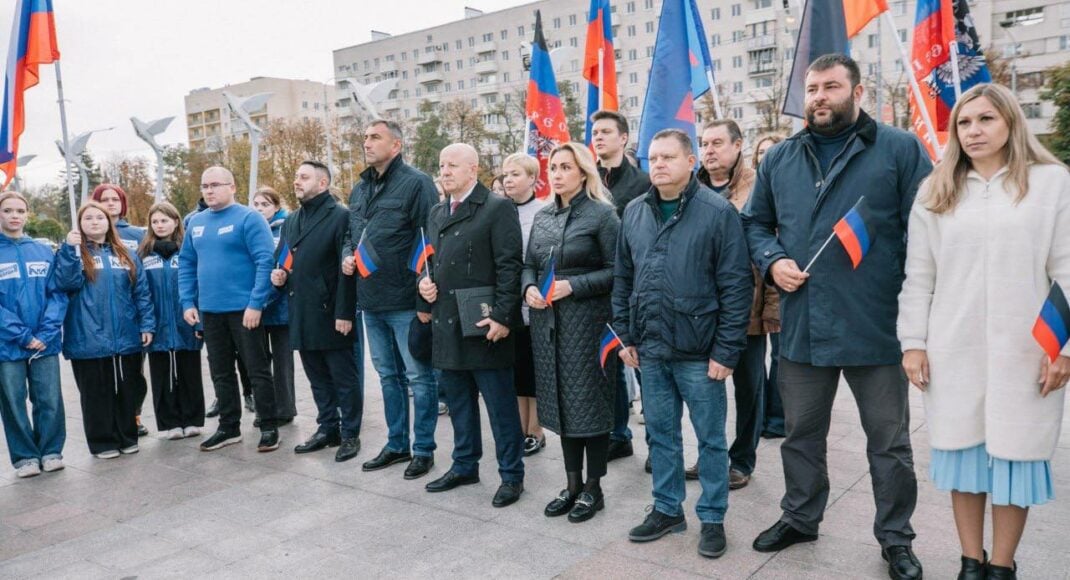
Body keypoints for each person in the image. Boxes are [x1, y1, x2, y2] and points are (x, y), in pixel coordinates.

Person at [741, 54, 931, 580]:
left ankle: (896, 538)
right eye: (812, 88)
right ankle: (801, 516)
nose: (819, 96)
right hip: (803, 325)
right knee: (801, 434)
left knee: (889, 444)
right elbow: (755, 222)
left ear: (858, 91)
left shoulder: (899, 149)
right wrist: (774, 259)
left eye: (831, 86)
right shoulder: (780, 157)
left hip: (877, 325)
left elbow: (929, 230)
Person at [898, 83, 1070, 580]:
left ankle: (1001, 566)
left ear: (1011, 122)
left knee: (1016, 461)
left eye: (986, 120)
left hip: (1028, 350)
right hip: (955, 347)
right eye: (965, 123)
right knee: (965, 458)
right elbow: (919, 277)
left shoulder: (1051, 183)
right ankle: (970, 563)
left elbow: (1067, 271)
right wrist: (913, 343)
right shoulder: (937, 190)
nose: (974, 131)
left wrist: (1063, 349)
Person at [613, 129, 752, 558]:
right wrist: (624, 335)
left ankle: (712, 517)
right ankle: (667, 509)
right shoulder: (634, 211)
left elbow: (736, 284)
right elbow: (623, 278)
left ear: (691, 161)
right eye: (652, 158)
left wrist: (726, 352)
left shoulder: (716, 212)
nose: (658, 165)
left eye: (668, 157)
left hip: (700, 352)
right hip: (650, 349)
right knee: (661, 434)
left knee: (710, 439)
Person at [418, 143, 526, 507]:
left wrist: (502, 316)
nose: (444, 171)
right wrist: (423, 283)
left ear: (473, 170)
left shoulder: (497, 208)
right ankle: (465, 464)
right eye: (441, 165)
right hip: (447, 323)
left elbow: (510, 266)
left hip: (484, 324)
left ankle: (512, 475)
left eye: (452, 165)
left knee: (499, 407)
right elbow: (429, 261)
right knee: (460, 403)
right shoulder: (436, 212)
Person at [523, 143, 620, 523]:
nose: (558, 174)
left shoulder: (602, 216)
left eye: (566, 166)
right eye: (554, 167)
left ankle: (594, 488)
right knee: (562, 404)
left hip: (589, 323)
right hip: (548, 326)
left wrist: (574, 286)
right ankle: (572, 483)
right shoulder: (544, 217)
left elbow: (617, 271)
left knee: (589, 405)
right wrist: (527, 287)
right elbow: (528, 264)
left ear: (583, 172)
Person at [341, 119, 439, 479]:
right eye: (364, 136)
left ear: (395, 146)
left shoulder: (417, 184)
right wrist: (347, 254)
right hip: (371, 299)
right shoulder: (359, 189)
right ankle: (397, 443)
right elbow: (351, 234)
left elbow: (430, 243)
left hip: (406, 300)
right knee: (388, 376)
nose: (366, 143)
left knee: (419, 376)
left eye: (374, 137)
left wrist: (425, 304)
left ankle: (423, 449)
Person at [697, 119, 780, 491]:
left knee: (749, 387)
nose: (709, 150)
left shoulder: (758, 187)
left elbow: (775, 244)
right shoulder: (691, 187)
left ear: (737, 146)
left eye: (717, 143)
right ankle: (709, 455)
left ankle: (742, 459)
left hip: (747, 307)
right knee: (702, 388)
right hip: (700, 310)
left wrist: (772, 308)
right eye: (704, 143)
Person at [178, 166, 280, 453]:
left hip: (244, 311)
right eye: (204, 186)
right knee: (220, 371)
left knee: (257, 370)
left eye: (215, 185)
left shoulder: (249, 218)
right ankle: (228, 427)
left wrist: (256, 303)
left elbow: (264, 262)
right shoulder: (196, 222)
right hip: (210, 312)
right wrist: (188, 302)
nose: (209, 190)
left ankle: (269, 425)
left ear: (232, 187)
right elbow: (186, 264)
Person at [274, 161, 362, 462]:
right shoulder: (292, 220)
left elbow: (346, 271)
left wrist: (345, 313)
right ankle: (328, 428)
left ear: (322, 184)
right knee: (317, 378)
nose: (297, 181)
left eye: (304, 177)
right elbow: (284, 259)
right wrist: (280, 275)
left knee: (344, 378)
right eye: (296, 176)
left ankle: (350, 434)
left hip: (331, 311)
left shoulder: (340, 216)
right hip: (300, 310)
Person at [55, 202, 154, 459]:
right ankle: (103, 442)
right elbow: (66, 283)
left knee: (126, 389)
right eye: (88, 218)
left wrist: (146, 324)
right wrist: (69, 250)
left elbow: (141, 293)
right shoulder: (74, 253)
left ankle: (127, 435)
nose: (95, 222)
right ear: (80, 224)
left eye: (100, 217)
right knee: (96, 394)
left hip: (125, 334)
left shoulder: (125, 254)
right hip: (88, 336)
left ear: (109, 222)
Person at [590, 110, 650, 464]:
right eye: (595, 132)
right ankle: (618, 434)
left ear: (624, 138)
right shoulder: (589, 180)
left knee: (642, 365)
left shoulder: (641, 182)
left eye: (606, 132)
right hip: (598, 287)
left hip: (632, 285)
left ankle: (657, 442)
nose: (598, 137)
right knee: (609, 365)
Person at [0, 192, 68, 477]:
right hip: (7, 344)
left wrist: (46, 332)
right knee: (13, 401)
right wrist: (22, 334)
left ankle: (51, 451)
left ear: (27, 214)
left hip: (44, 342)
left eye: (20, 210)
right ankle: (26, 457)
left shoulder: (42, 251)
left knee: (49, 398)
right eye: (7, 211)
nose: (14, 216)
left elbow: (57, 293)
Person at [138, 202, 205, 440]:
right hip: (157, 324)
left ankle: (193, 419)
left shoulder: (189, 250)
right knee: (161, 374)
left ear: (176, 222)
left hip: (185, 321)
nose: (160, 225)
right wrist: (146, 323)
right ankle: (169, 423)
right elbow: (141, 291)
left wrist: (199, 322)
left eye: (164, 220)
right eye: (155, 221)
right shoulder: (143, 254)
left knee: (189, 371)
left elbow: (198, 287)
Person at [91, 183, 151, 437]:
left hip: (132, 317)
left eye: (115, 199)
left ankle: (134, 416)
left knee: (133, 374)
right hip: (99, 321)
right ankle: (111, 421)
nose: (110, 203)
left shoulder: (138, 235)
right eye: (104, 199)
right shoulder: (87, 236)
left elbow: (145, 277)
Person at [501, 153, 550, 457]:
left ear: (532, 178)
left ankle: (537, 429)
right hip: (509, 304)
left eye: (515, 174)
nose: (508, 179)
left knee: (536, 371)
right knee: (517, 370)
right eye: (505, 174)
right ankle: (521, 429)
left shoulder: (543, 213)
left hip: (536, 302)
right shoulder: (498, 210)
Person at [751, 132, 787, 440]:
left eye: (771, 151)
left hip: (779, 286)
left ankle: (777, 418)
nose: (766, 156)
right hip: (754, 290)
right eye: (761, 152)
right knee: (754, 361)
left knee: (779, 356)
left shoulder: (789, 192)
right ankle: (762, 415)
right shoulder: (756, 193)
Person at [252, 187, 297, 425]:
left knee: (282, 362)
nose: (260, 209)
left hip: (281, 305)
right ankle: (264, 409)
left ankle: (285, 409)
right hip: (258, 304)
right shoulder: (250, 227)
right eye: (256, 204)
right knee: (258, 362)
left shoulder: (286, 227)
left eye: (265, 204)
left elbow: (290, 260)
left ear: (276, 207)